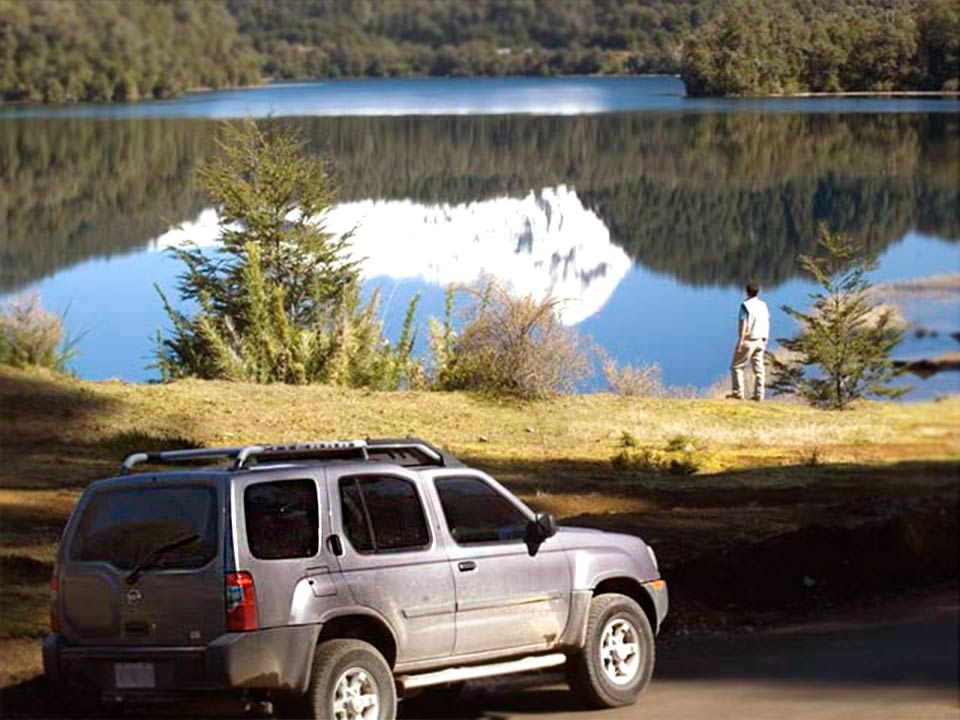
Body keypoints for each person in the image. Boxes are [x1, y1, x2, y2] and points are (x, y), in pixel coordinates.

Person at [728, 280, 770, 401]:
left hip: (749, 339)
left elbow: (743, 323)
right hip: (761, 339)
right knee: (759, 369)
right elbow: (767, 322)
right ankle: (759, 394)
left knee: (737, 366)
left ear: (747, 292)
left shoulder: (745, 305)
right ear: (758, 292)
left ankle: (738, 393)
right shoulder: (763, 305)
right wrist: (765, 338)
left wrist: (741, 341)